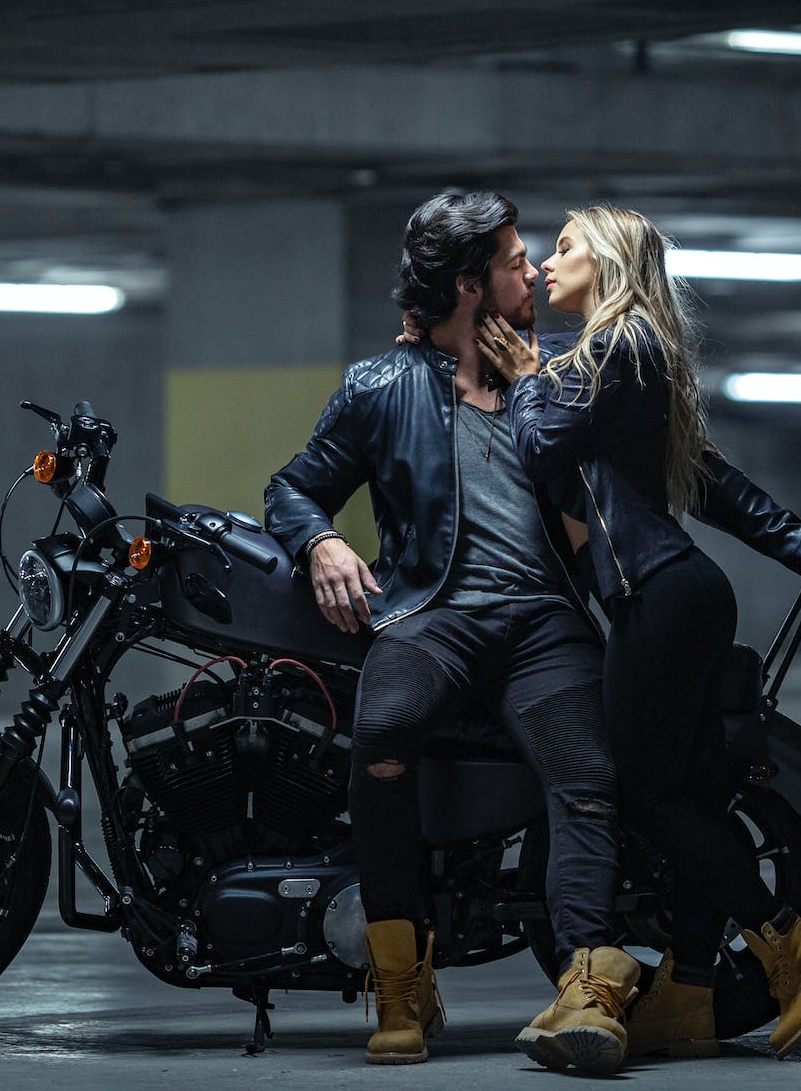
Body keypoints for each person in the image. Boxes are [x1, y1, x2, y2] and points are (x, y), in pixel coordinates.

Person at [476, 203, 801, 1064]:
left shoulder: (615, 347)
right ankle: (690, 988)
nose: (545, 262)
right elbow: (709, 481)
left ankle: (792, 943)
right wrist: (799, 542)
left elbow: (539, 443)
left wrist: (532, 374)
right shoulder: (638, 355)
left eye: (566, 246)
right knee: (684, 798)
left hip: (658, 599)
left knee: (641, 799)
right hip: (674, 595)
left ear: (606, 261)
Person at [264, 190, 638, 1074]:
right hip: (432, 615)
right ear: (471, 286)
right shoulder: (380, 386)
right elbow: (292, 486)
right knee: (382, 735)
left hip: (544, 621)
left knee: (586, 775)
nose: (532, 273)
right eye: (514, 262)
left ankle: (587, 980)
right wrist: (320, 541)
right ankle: (401, 981)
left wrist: (541, 382)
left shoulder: (556, 381)